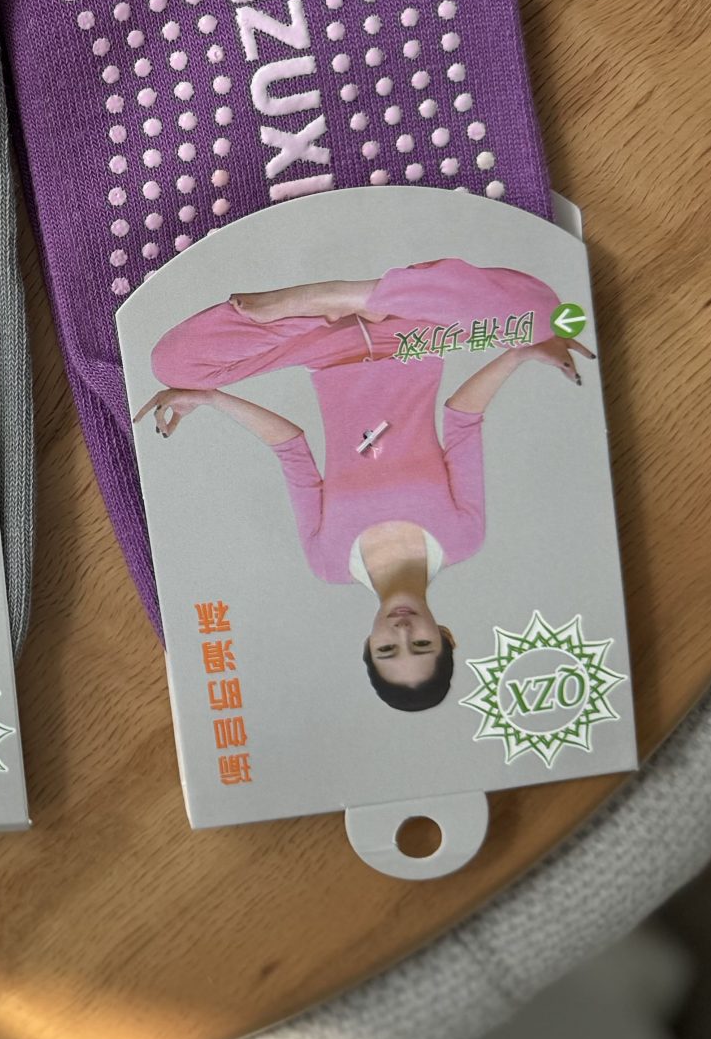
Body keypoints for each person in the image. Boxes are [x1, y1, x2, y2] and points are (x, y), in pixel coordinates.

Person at [136, 258, 591, 711]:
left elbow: (291, 448)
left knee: (173, 365)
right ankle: (353, 296)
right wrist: (520, 354)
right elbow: (462, 419)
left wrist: (210, 398)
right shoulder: (462, 537)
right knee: (542, 315)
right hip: (417, 337)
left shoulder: (329, 561)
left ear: (368, 645)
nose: (403, 632)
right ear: (446, 636)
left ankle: (327, 306)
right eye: (422, 645)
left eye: (388, 649)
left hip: (324, 348)